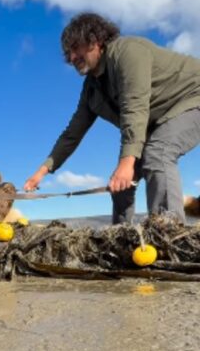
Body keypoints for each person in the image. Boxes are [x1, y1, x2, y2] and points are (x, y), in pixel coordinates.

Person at [24, 12, 200, 224]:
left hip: (193, 98)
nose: (71, 58)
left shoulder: (129, 53)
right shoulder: (91, 89)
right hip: (157, 121)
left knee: (158, 153)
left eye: (75, 47)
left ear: (95, 40)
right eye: (68, 53)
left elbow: (134, 107)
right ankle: (121, 235)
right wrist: (42, 172)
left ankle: (169, 231)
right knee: (119, 183)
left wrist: (126, 163)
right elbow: (72, 133)